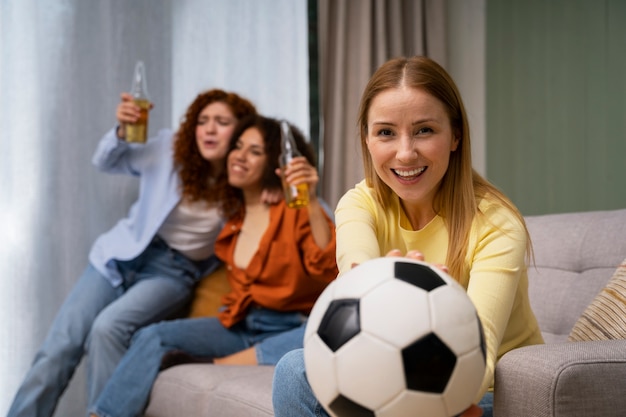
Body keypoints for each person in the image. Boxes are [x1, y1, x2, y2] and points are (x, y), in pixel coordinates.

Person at [271, 55, 545, 417]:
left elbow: (480, 357)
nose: (405, 152)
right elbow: (355, 276)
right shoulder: (359, 204)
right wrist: (383, 286)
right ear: (367, 140)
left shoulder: (497, 223)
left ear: (455, 136)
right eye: (386, 132)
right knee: (294, 370)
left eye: (424, 130)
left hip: (482, 394)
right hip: (385, 376)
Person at [7, 89, 260, 417]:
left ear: (240, 133)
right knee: (59, 347)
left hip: (174, 271)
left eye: (222, 122)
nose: (209, 129)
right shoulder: (172, 149)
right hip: (119, 256)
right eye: (203, 121)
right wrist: (121, 133)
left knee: (108, 328)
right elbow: (108, 160)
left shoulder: (246, 179)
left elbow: (285, 207)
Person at [87, 115, 338, 417]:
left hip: (289, 325)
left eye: (255, 151)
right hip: (240, 324)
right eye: (238, 147)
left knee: (318, 333)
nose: (240, 156)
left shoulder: (293, 209)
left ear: (276, 163)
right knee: (152, 336)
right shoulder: (230, 214)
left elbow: (327, 264)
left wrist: (309, 199)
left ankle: (220, 362)